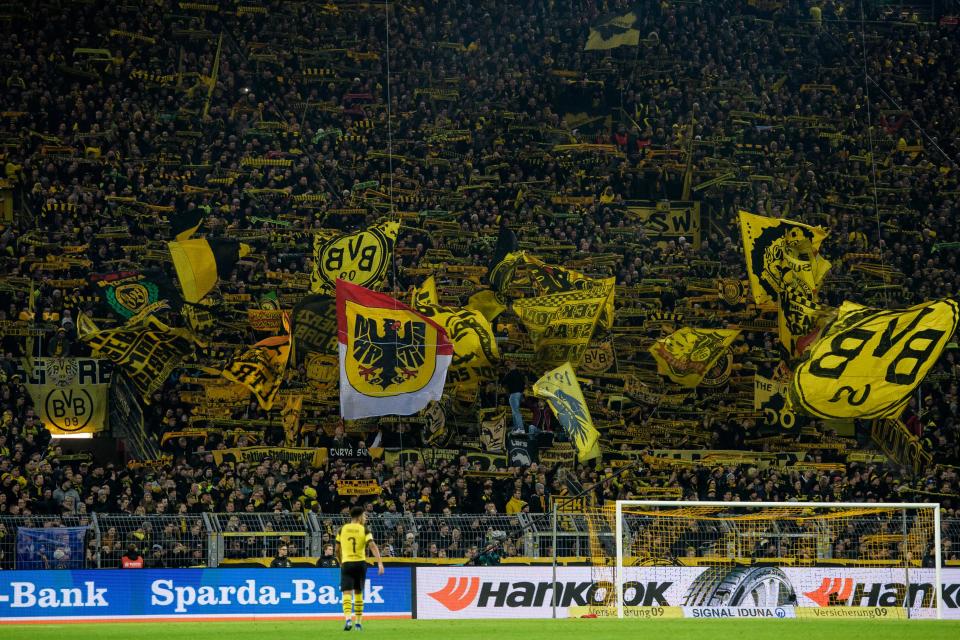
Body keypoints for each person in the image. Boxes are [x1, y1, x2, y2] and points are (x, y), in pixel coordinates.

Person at [335, 505, 384, 632]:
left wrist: (341, 562)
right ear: (360, 516)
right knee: (358, 592)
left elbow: (336, 549)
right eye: (365, 515)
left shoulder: (342, 529)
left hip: (347, 563)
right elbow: (372, 545)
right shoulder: (364, 530)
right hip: (360, 563)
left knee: (346, 592)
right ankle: (358, 623)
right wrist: (380, 563)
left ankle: (347, 619)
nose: (366, 518)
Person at [502, 361, 526, 434]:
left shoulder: (509, 374)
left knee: (516, 411)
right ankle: (516, 428)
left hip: (514, 394)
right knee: (514, 412)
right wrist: (522, 395)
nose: (510, 365)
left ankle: (521, 428)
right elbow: (523, 384)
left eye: (510, 364)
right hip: (519, 394)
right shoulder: (520, 374)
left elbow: (503, 382)